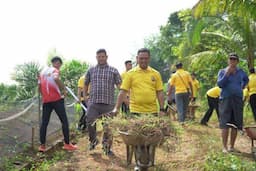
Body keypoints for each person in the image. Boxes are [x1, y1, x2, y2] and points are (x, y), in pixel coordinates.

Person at [83, 49, 122, 152]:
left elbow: (119, 86)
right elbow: (85, 83)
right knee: (90, 120)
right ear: (96, 57)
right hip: (93, 103)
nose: (101, 58)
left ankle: (106, 146)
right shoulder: (91, 70)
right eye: (99, 57)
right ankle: (93, 141)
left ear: (106, 57)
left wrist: (125, 97)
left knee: (108, 126)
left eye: (103, 56)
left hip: (108, 104)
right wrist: (85, 96)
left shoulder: (113, 70)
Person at [38, 56, 78, 152]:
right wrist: (63, 89)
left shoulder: (42, 72)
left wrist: (44, 96)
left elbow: (39, 86)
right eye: (59, 65)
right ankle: (67, 144)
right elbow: (56, 79)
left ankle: (42, 146)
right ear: (58, 63)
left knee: (44, 123)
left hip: (46, 101)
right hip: (56, 100)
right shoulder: (54, 70)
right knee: (64, 121)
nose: (59, 67)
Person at [113, 48, 165, 116]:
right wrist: (116, 108)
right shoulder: (130, 74)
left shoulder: (156, 74)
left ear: (149, 58)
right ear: (137, 58)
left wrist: (162, 109)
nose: (143, 61)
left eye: (146, 58)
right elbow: (123, 91)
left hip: (152, 111)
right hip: (135, 111)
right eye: (141, 58)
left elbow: (160, 92)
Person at [217, 53, 248, 153]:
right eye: (231, 59)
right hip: (226, 98)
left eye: (234, 59)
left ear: (237, 61)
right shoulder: (222, 71)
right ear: (228, 60)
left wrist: (242, 87)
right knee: (225, 123)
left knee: (235, 124)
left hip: (238, 99)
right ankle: (224, 147)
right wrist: (227, 74)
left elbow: (246, 80)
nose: (232, 61)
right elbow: (220, 84)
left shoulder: (241, 72)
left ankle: (232, 146)